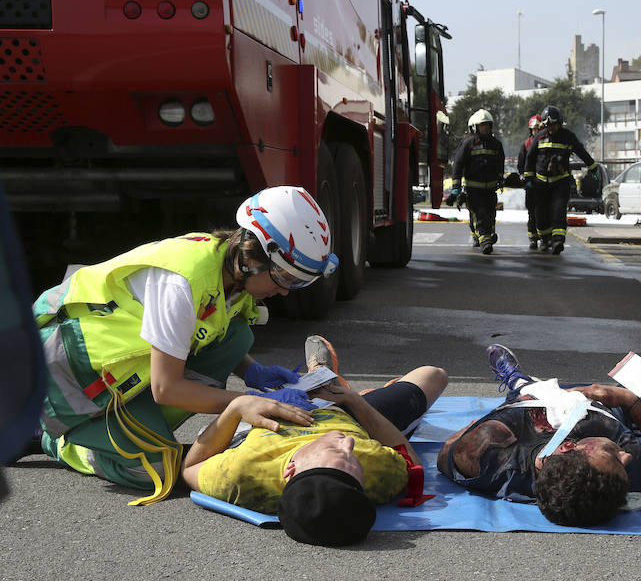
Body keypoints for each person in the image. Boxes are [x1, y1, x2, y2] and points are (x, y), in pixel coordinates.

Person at [32, 185, 339, 505]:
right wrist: (244, 402)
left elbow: (218, 328)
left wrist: (254, 372)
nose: (287, 292)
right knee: (161, 470)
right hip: (70, 376)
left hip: (123, 376)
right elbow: (167, 389)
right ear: (253, 256)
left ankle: (138, 428)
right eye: (286, 278)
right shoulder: (181, 284)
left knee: (237, 338)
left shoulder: (229, 270)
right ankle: (61, 441)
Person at [182, 335, 449, 546]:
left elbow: (190, 467)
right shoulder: (377, 475)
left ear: (290, 469)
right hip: (345, 412)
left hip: (264, 409)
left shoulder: (242, 475)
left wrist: (237, 407)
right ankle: (328, 377)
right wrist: (352, 400)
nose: (349, 445)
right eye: (356, 463)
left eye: (334, 449)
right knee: (433, 375)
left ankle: (316, 376)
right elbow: (411, 463)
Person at [437, 345, 641, 527]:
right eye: (619, 458)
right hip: (607, 405)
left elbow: (447, 453)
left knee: (524, 394)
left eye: (614, 455)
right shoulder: (619, 468)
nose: (624, 455)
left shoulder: (490, 457)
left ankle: (518, 382)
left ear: (568, 446)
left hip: (528, 403)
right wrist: (629, 401)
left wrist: (481, 424)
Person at [523, 105, 602, 254]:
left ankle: (558, 241)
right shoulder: (539, 137)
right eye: (548, 125)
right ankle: (545, 240)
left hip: (560, 182)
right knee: (540, 214)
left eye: (553, 124)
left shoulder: (568, 137)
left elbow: (581, 152)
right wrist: (528, 178)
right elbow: (530, 158)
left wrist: (593, 168)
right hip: (541, 183)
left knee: (558, 211)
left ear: (559, 123)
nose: (551, 128)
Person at [446, 108, 505, 254]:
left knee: (490, 215)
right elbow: (458, 165)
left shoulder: (496, 144)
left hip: (490, 190)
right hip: (474, 190)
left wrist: (501, 178)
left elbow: (500, 163)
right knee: (480, 214)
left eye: (487, 124)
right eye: (482, 125)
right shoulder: (468, 143)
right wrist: (456, 188)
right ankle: (485, 241)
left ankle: (486, 236)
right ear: (475, 127)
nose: (485, 127)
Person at [517, 114, 542, 250]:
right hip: (531, 185)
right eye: (534, 129)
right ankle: (533, 238)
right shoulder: (526, 144)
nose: (536, 132)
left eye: (538, 129)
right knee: (532, 212)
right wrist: (525, 179)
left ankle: (544, 237)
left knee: (544, 211)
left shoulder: (546, 141)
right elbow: (521, 164)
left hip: (545, 184)